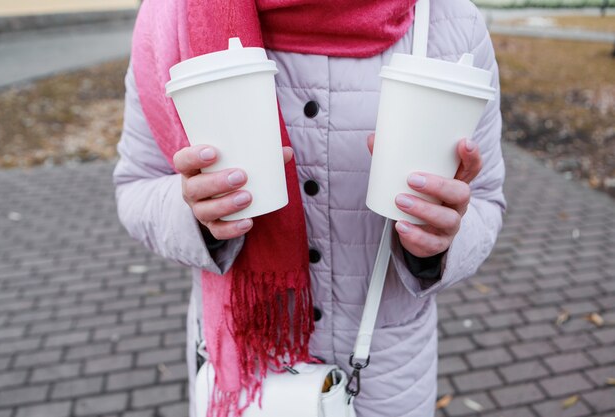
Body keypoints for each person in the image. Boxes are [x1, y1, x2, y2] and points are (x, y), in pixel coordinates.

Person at [113, 0, 506, 415]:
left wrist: (438, 243)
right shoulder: (172, 16)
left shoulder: (451, 20)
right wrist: (195, 212)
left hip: (386, 378)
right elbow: (136, 186)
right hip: (245, 375)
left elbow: (485, 200)